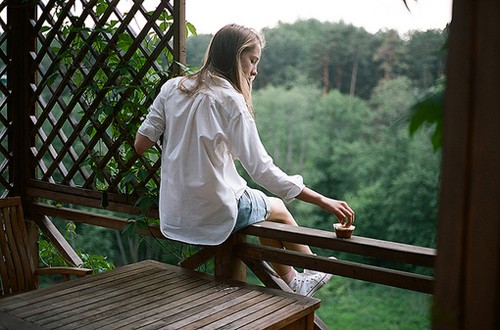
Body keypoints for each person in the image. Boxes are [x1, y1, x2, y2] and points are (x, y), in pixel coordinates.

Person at [134, 23, 355, 297]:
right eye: (253, 61)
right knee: (277, 208)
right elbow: (262, 171)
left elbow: (141, 144)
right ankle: (310, 271)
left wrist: (182, 143)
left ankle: (292, 278)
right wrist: (323, 200)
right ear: (236, 57)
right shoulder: (231, 102)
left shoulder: (172, 88)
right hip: (217, 213)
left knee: (264, 209)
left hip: (177, 213)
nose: (255, 71)